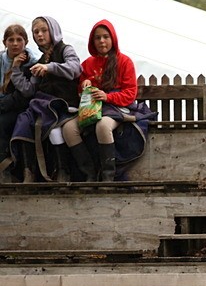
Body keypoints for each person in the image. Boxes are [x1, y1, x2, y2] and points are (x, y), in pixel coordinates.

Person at [59, 19, 154, 182]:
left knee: (103, 126)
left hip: (116, 108)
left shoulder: (125, 62)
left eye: (105, 37)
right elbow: (81, 90)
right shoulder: (88, 63)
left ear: (113, 39)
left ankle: (108, 175)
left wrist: (107, 96)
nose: (102, 41)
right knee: (68, 128)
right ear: (92, 41)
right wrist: (85, 85)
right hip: (93, 109)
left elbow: (130, 93)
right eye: (97, 38)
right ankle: (89, 172)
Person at [9, 16, 81, 182]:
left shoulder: (66, 50)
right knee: (23, 120)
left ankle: (63, 172)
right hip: (45, 106)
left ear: (53, 31)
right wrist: (16, 69)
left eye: (44, 30)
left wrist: (50, 67)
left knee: (54, 130)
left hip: (64, 105)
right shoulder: (41, 60)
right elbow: (29, 90)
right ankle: (29, 172)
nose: (40, 35)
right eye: (36, 32)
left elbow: (75, 68)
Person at [0, 24, 40, 180]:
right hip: (4, 104)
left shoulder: (32, 63)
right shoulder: (1, 60)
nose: (15, 44)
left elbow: (26, 94)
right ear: (5, 42)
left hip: (21, 107)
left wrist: (16, 67)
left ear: (26, 42)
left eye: (19, 40)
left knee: (3, 123)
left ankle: (6, 169)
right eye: (11, 40)